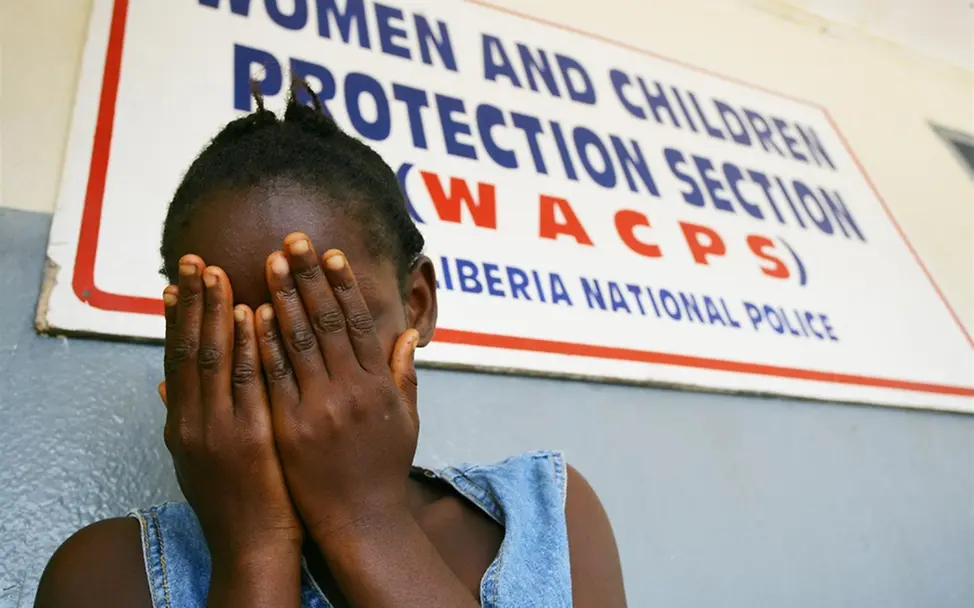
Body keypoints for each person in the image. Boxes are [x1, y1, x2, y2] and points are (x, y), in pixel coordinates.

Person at [34, 83, 626, 608]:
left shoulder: (546, 513)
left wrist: (368, 522)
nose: (276, 372)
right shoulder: (102, 575)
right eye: (234, 336)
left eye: (325, 327)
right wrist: (254, 551)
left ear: (416, 306)